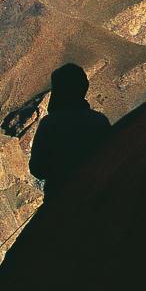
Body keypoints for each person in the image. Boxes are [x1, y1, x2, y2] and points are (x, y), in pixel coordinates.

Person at [29, 63, 112, 200]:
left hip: (59, 202)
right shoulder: (99, 121)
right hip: (94, 199)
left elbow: (38, 168)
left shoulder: (50, 123)